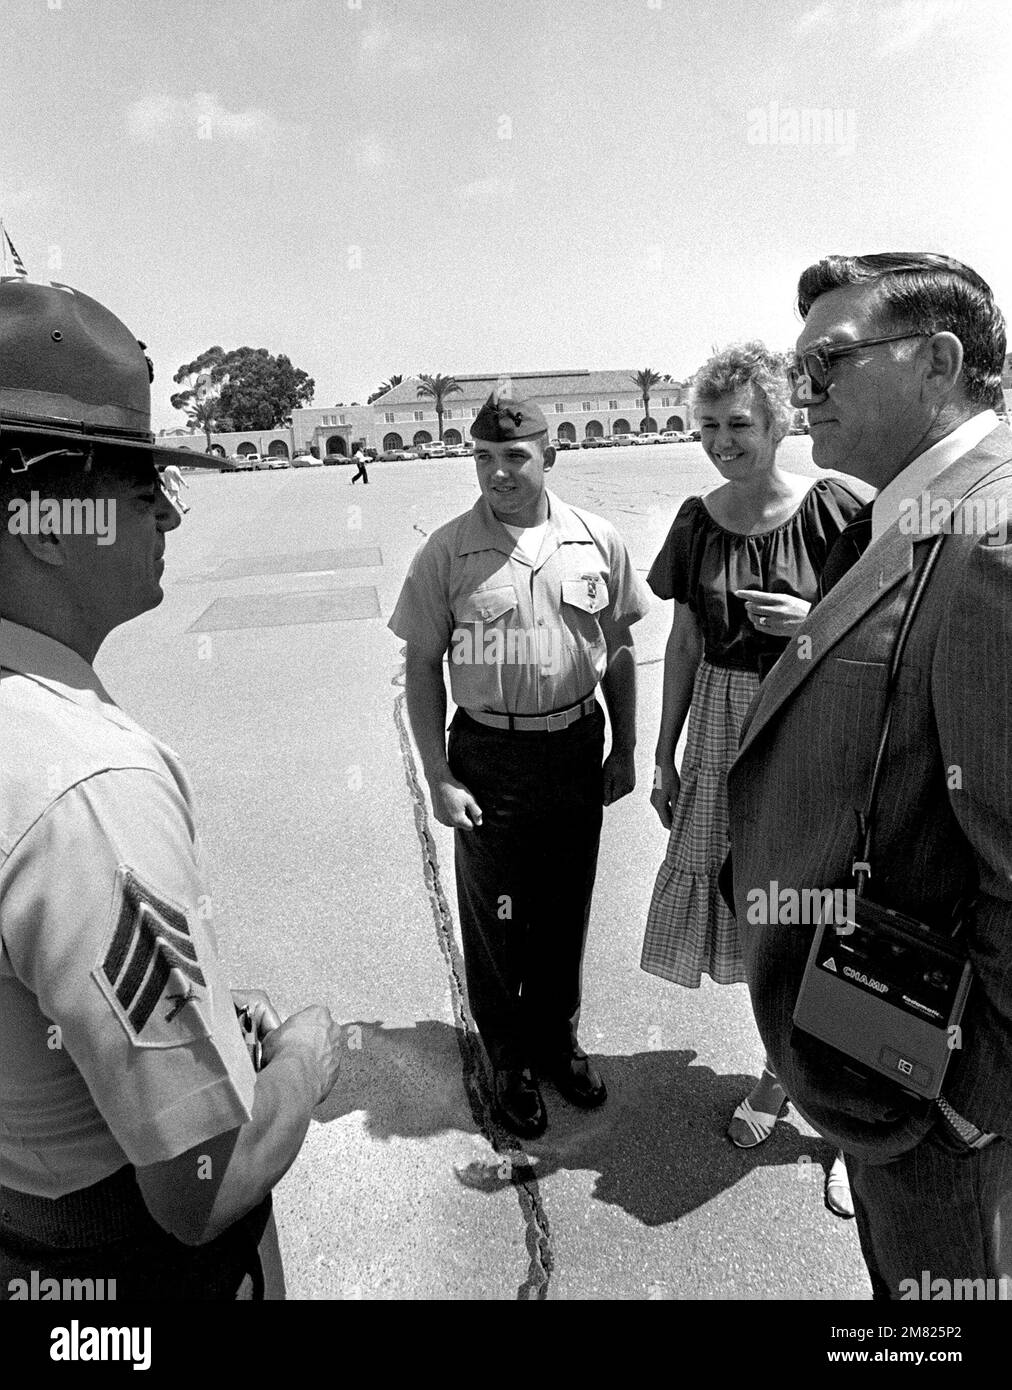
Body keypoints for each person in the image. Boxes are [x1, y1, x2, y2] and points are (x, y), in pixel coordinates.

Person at [0, 276, 345, 1299]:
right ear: (45, 521)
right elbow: (203, 1181)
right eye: (143, 484)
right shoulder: (84, 789)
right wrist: (303, 1063)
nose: (171, 516)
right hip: (118, 1270)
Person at [726, 252, 1012, 1298]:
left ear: (938, 365)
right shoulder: (896, 511)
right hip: (867, 1037)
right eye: (799, 369)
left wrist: (968, 1100)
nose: (804, 397)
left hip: (929, 1085)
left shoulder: (990, 539)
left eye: (829, 365)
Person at [389, 385, 650, 1138]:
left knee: (566, 903)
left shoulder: (597, 538)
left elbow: (623, 647)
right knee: (496, 910)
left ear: (549, 455)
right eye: (482, 457)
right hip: (489, 755)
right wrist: (438, 773)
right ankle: (507, 1056)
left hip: (574, 745)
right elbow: (421, 665)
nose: (497, 472)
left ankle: (556, 1038)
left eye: (513, 456)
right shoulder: (448, 551)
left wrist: (624, 746)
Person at [642, 342, 864, 1213]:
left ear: (779, 422)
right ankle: (786, 1070)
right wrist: (664, 751)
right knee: (754, 914)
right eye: (707, 425)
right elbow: (687, 641)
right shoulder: (697, 520)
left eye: (739, 423)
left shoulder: (838, 510)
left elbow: (884, 632)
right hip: (722, 731)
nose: (722, 441)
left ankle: (843, 1122)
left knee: (825, 912)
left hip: (812, 721)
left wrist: (811, 621)